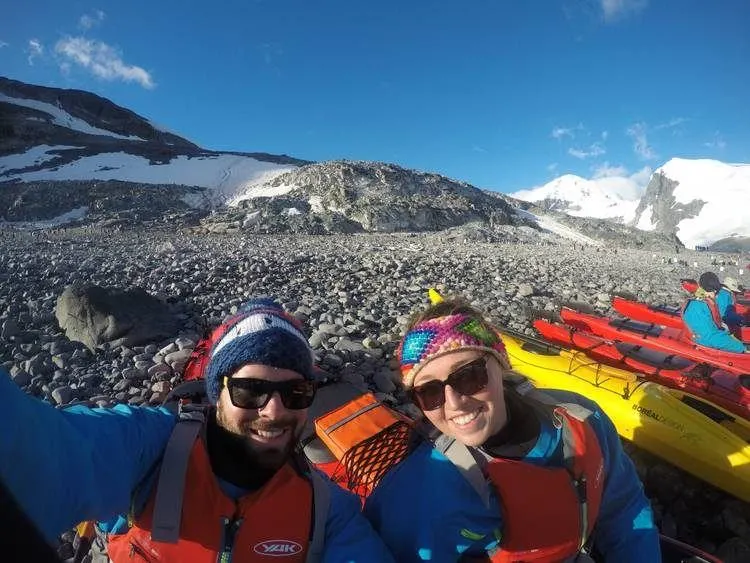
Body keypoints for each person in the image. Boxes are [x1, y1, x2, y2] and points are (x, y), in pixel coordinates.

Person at [0, 297, 395, 563]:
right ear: (216, 392)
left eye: (296, 391)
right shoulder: (148, 449)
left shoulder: (326, 508)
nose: (274, 411)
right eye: (250, 390)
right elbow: (38, 450)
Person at [362, 296, 661, 562]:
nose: (455, 404)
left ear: (500, 366)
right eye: (430, 392)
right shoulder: (420, 488)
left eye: (468, 377)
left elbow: (625, 510)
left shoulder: (583, 418)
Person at [682, 272, 747, 353]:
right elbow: (709, 337)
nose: (717, 296)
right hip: (705, 344)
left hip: (710, 338)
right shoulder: (697, 307)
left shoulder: (703, 303)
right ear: (713, 291)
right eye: (716, 293)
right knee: (741, 348)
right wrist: (740, 347)